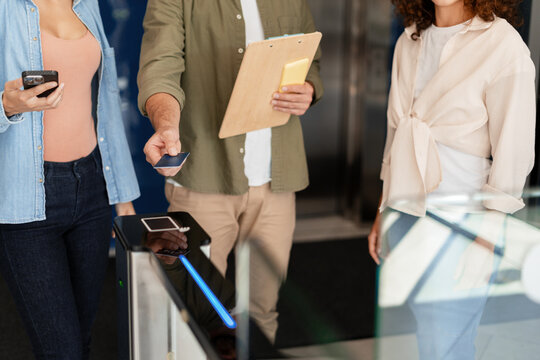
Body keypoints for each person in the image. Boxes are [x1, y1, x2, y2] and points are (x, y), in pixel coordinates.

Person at [137, 0, 323, 342]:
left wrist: (309, 89)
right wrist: (165, 124)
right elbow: (159, 66)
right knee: (196, 312)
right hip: (204, 177)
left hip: (277, 179)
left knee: (262, 311)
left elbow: (310, 57)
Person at [368, 0, 535, 358]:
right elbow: (395, 132)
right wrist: (384, 207)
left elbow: (514, 149)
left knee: (446, 342)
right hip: (406, 213)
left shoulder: (503, 45)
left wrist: (488, 237)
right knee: (427, 335)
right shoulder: (409, 40)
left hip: (463, 223)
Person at [0, 0, 140, 358]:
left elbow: (105, 99)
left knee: (81, 336)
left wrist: (122, 197)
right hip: (27, 199)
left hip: (93, 185)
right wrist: (7, 105)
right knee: (62, 351)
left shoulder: (85, 3)